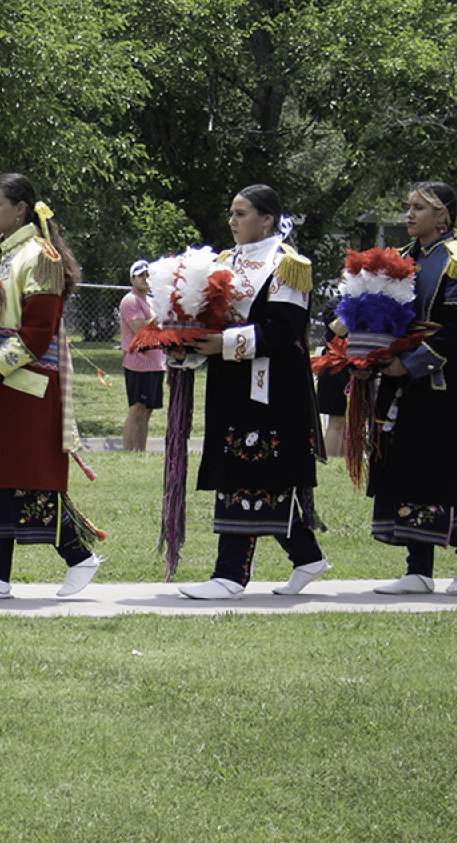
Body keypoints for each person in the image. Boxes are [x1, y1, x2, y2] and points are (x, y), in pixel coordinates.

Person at [0, 174, 105, 599]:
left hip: (24, 385)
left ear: (20, 208)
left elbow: (38, 331)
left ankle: (79, 556)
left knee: (24, 478)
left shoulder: (41, 256)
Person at [175, 184, 328, 599]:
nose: (232, 220)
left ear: (267, 218)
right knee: (248, 471)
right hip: (230, 382)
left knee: (254, 469)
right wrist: (184, 346)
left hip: (272, 386)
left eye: (241, 213)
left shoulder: (289, 266)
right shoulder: (223, 262)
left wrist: (223, 344)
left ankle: (230, 575)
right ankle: (307, 556)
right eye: (231, 213)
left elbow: (283, 330)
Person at [352, 182, 457, 594]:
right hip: (398, 376)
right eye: (408, 207)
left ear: (443, 217)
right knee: (400, 466)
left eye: (419, 208)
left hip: (437, 380)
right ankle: (419, 570)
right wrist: (366, 357)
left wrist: (410, 365)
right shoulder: (401, 259)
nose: (409, 215)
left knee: (428, 469)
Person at [118, 260, 165, 452]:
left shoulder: (151, 302)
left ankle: (140, 451)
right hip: (138, 364)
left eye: (148, 275)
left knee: (147, 411)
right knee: (137, 409)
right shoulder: (130, 301)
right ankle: (129, 452)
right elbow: (141, 330)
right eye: (141, 275)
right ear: (132, 279)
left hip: (155, 363)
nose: (146, 279)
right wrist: (162, 312)